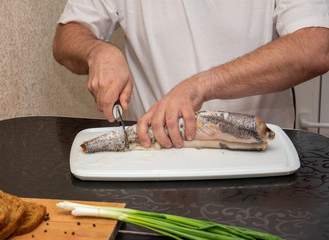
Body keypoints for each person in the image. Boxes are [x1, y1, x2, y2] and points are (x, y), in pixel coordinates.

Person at [53, 0, 329, 149]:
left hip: (259, 155)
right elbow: (67, 36)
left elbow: (316, 47)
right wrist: (96, 51)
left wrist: (201, 85)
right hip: (156, 154)